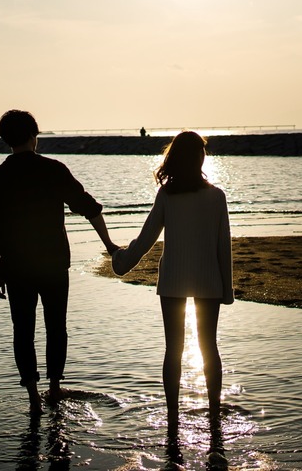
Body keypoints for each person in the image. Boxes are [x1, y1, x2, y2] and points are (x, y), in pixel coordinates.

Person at [0, 109, 119, 409]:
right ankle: (55, 388)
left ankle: (33, 397)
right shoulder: (54, 169)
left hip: (16, 266)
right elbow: (90, 208)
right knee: (56, 326)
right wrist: (108, 244)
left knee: (23, 330)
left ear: (6, 139)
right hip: (54, 264)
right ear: (35, 136)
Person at [111, 130, 233, 427]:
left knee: (173, 349)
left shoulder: (167, 195)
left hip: (173, 281)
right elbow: (223, 247)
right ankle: (214, 411)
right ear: (201, 158)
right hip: (208, 281)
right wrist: (226, 289)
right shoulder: (216, 197)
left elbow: (145, 239)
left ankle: (173, 414)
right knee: (209, 346)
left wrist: (122, 261)